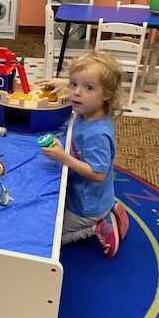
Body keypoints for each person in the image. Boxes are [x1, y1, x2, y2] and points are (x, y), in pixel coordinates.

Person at [37, 51, 129, 258]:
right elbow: (87, 85)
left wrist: (64, 157)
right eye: (74, 84)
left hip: (85, 207)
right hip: (90, 197)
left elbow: (98, 174)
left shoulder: (97, 134)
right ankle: (108, 210)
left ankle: (98, 227)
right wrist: (65, 83)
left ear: (106, 94)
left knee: (49, 238)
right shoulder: (91, 109)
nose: (76, 93)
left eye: (88, 88)